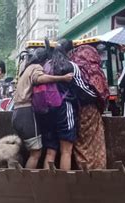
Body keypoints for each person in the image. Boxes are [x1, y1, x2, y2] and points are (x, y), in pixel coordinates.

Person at [12, 48, 73, 169]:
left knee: (33, 151)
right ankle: (27, 181)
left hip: (17, 112)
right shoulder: (36, 67)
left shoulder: (26, 69)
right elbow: (39, 79)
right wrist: (62, 78)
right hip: (26, 112)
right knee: (36, 153)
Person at [37, 39, 77, 171]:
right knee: (66, 151)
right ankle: (63, 186)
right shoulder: (70, 65)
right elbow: (78, 88)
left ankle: (46, 184)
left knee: (50, 150)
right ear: (70, 52)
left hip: (47, 110)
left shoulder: (46, 65)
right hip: (64, 108)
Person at [69, 45, 108, 170]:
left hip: (75, 110)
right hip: (91, 111)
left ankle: (82, 169)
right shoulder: (96, 72)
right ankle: (96, 171)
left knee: (80, 142)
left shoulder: (73, 68)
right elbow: (103, 94)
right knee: (95, 143)